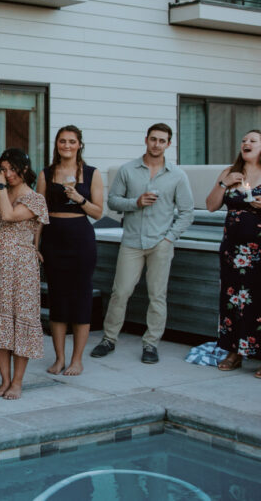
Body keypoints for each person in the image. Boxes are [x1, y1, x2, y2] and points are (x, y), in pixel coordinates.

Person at [91, 123, 193, 364]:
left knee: (157, 295)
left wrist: (169, 238)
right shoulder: (128, 170)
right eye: (153, 139)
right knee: (121, 292)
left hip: (161, 242)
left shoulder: (177, 175)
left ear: (169, 144)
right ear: (146, 140)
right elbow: (114, 202)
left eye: (162, 140)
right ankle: (109, 339)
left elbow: (188, 212)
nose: (157, 144)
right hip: (132, 241)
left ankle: (151, 344)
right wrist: (135, 202)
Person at [0, 148, 49, 400]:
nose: (6, 174)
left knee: (20, 320)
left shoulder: (35, 198)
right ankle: (4, 380)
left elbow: (9, 215)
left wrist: (1, 189)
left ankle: (18, 382)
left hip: (20, 267)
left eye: (11, 169)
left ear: (23, 170)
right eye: (3, 169)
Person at [35, 126, 103, 376]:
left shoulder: (92, 174)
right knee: (57, 299)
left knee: (81, 299)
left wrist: (79, 199)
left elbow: (98, 212)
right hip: (53, 240)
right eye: (62, 141)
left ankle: (77, 359)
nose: (66, 145)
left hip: (81, 240)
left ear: (79, 145)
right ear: (57, 144)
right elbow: (39, 213)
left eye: (71, 141)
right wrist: (35, 244)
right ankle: (59, 358)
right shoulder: (46, 174)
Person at [205, 129, 261, 376]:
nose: (246, 143)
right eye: (244, 140)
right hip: (232, 251)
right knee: (232, 300)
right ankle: (234, 352)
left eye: (253, 140)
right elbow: (210, 206)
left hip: (259, 251)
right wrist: (223, 184)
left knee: (258, 301)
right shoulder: (230, 172)